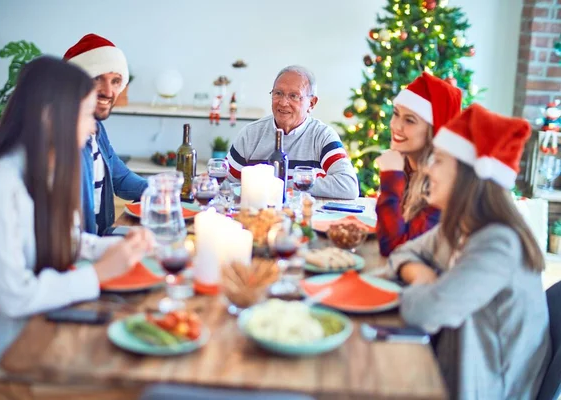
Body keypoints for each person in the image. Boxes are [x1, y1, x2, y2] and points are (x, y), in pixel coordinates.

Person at [0, 57, 153, 400]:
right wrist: (99, 274)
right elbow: (14, 297)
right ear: (51, 116)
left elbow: (70, 241)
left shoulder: (46, 169)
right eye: (84, 115)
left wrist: (119, 248)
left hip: (35, 334)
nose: (93, 128)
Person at [388, 104, 551, 398]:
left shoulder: (499, 244)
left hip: (485, 388)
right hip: (455, 366)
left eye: (438, 161)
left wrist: (427, 291)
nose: (426, 168)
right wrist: (425, 278)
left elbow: (426, 311)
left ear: (466, 175)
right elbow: (401, 254)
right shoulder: (460, 226)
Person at [227, 65, 359, 199]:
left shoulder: (322, 136)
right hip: (259, 215)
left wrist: (283, 185)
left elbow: (348, 185)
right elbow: (226, 183)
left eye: (294, 96)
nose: (283, 103)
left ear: (312, 103)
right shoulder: (250, 134)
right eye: (278, 93)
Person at [64, 33, 148, 235]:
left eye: (116, 81)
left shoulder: (97, 130)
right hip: (77, 255)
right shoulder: (62, 138)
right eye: (96, 79)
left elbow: (121, 178)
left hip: (98, 241)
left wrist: (163, 191)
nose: (108, 92)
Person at [376, 72, 462, 256]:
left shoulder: (442, 183)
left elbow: (396, 249)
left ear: (433, 132)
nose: (396, 126)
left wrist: (390, 177)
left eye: (409, 120)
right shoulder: (406, 167)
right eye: (396, 114)